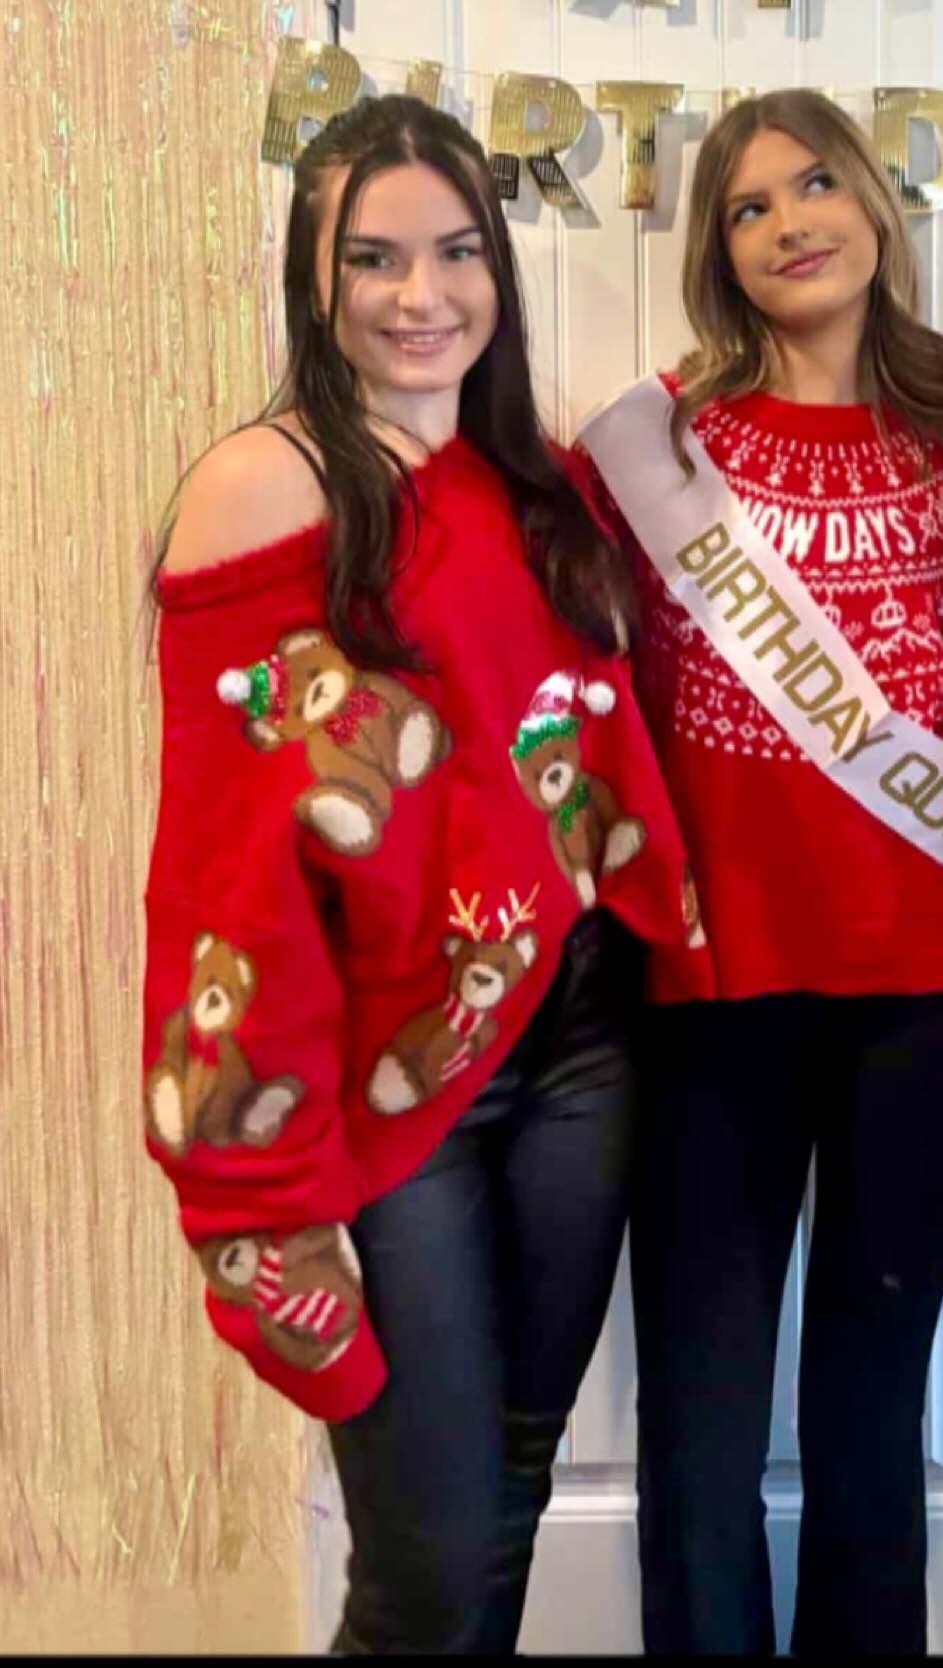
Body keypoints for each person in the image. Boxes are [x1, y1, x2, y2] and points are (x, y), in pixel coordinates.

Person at [140, 94, 706, 1654]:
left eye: (458, 252)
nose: (422, 294)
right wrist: (256, 1183)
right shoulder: (266, 485)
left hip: (577, 1043)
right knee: (426, 1571)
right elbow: (225, 881)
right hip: (391, 1087)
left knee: (506, 1498)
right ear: (312, 280)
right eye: (374, 258)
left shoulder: (530, 481)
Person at [571, 89, 943, 1655]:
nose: (789, 224)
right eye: (748, 206)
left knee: (870, 1394)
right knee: (703, 1407)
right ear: (719, 252)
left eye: (816, 183)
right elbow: (587, 697)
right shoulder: (658, 454)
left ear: (878, 211)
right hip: (716, 986)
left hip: (940, 991)